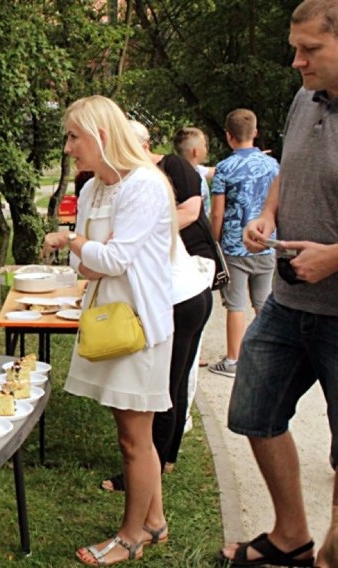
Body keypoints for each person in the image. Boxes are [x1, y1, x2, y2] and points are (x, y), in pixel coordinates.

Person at [217, 1, 338, 566]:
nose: (297, 61)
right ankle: (291, 535)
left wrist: (336, 256)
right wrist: (268, 213)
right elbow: (289, 165)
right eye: (296, 47)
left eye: (310, 49)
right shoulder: (304, 97)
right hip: (289, 302)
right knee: (252, 412)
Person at [42, 95, 177, 566]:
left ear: (101, 135)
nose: (68, 147)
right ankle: (154, 521)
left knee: (134, 438)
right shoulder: (95, 188)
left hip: (140, 326)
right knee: (129, 431)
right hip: (111, 322)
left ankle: (130, 535)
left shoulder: (144, 185)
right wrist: (85, 249)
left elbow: (112, 259)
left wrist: (73, 240)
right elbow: (88, 268)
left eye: (74, 137)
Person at [98, 121, 213, 494]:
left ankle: (154, 466)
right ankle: (163, 460)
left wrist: (140, 231)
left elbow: (193, 211)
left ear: (142, 144)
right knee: (172, 383)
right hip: (177, 285)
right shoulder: (133, 180)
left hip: (185, 286)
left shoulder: (164, 171)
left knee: (164, 386)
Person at [207, 109, 280, 378]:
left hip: (235, 246)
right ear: (256, 133)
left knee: (235, 305)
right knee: (263, 301)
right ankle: (268, 356)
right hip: (267, 242)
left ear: (228, 136)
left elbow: (217, 212)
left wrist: (214, 240)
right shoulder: (273, 166)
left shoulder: (225, 168)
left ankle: (234, 359)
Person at [173, 127, 214, 216]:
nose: (206, 149)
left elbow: (217, 172)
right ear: (196, 152)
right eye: (204, 145)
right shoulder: (190, 180)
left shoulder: (197, 169)